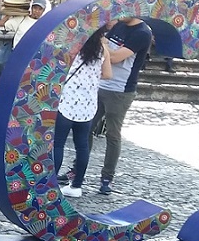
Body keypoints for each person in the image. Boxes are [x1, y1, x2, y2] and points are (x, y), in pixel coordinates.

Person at [95, 15, 153, 195]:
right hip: (100, 83)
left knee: (112, 134)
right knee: (85, 128)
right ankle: (76, 171)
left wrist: (102, 43)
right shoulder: (119, 26)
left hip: (121, 90)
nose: (119, 14)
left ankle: (107, 177)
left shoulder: (142, 33)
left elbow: (114, 58)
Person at [55, 28, 112, 198]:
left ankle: (50, 185)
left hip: (66, 102)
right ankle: (76, 186)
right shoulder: (102, 50)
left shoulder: (71, 47)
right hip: (87, 105)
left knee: (58, 144)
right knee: (82, 145)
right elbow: (108, 74)